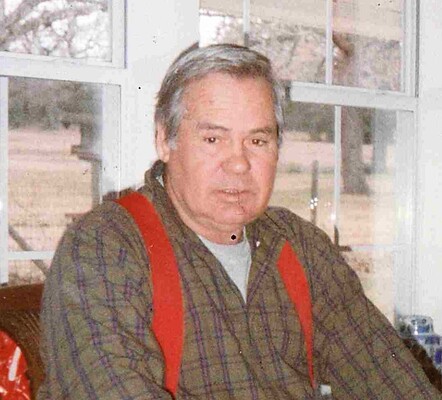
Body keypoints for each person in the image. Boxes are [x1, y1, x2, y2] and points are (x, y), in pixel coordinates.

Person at [38, 44, 441, 399]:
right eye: (213, 139)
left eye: (257, 140)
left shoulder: (301, 248)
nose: (238, 163)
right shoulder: (105, 247)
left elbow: (392, 381)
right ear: (164, 140)